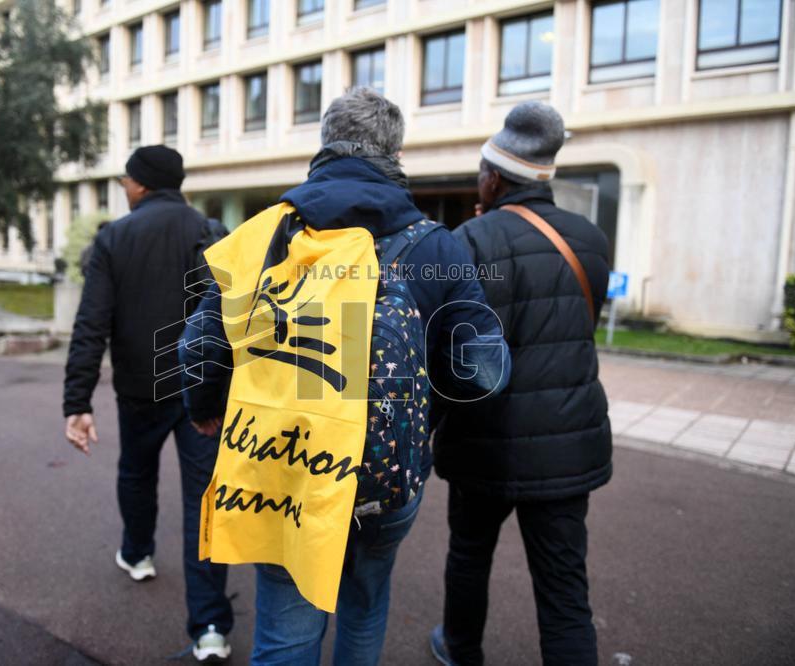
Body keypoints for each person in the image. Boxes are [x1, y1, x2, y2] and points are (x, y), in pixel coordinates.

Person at [180, 88, 511, 666]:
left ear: (324, 144)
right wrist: (429, 410)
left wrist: (205, 406)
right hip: (386, 476)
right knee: (364, 602)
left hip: (282, 466)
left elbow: (200, 345)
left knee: (286, 625)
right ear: (397, 152)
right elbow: (482, 373)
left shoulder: (263, 237)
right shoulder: (437, 248)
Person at [429, 101, 612, 666]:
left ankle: (460, 649)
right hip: (568, 439)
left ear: (493, 175)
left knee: (469, 555)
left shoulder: (473, 241)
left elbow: (463, 356)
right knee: (563, 585)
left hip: (486, 442)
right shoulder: (588, 237)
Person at [62, 145, 233, 663]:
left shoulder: (113, 238)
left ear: (140, 184)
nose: (123, 186)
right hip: (201, 392)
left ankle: (138, 553)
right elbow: (232, 319)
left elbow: (92, 322)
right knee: (204, 499)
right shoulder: (209, 232)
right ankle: (209, 627)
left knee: (136, 472)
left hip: (140, 388)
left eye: (125, 180)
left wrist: (78, 400)